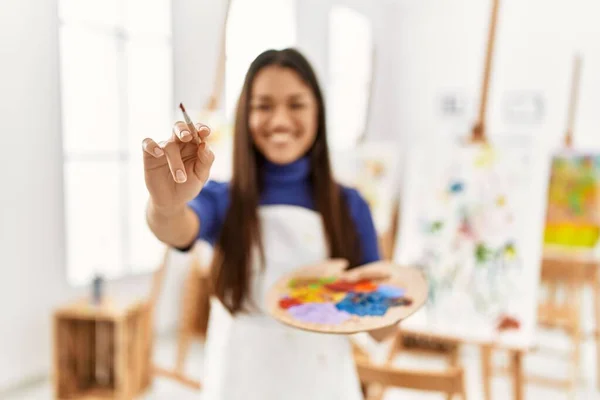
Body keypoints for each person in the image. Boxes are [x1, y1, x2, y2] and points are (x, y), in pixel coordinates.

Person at [143, 48, 388, 400]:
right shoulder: (223, 197)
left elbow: (379, 330)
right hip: (238, 381)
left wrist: (399, 299)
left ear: (318, 110)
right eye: (264, 106)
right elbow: (175, 228)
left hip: (323, 382)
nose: (280, 121)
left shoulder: (349, 205)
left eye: (296, 104)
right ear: (245, 115)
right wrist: (166, 205)